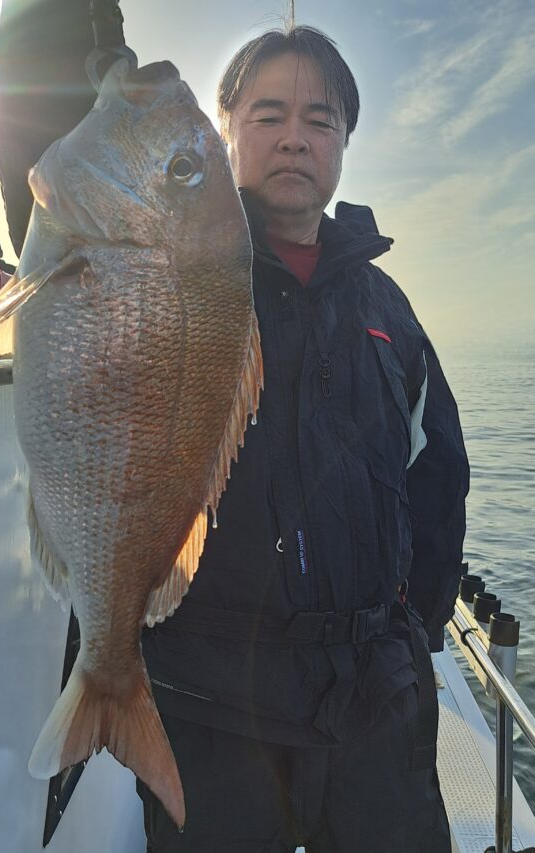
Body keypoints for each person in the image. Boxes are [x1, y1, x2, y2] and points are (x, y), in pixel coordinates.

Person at [138, 25, 470, 853]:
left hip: (374, 709)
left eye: (321, 120)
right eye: (269, 115)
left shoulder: (387, 306)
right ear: (226, 131)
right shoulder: (169, 275)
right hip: (213, 707)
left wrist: (414, 636)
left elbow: (439, 477)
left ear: (345, 142)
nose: (295, 137)